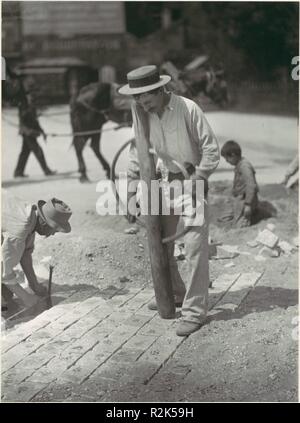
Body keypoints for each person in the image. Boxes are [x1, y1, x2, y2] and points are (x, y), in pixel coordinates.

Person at [118, 65, 220, 336]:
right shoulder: (141, 115)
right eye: (137, 98)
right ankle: (174, 293)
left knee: (195, 247)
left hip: (190, 183)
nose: (141, 102)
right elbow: (135, 154)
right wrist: (129, 192)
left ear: (160, 89)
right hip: (160, 185)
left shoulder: (188, 108)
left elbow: (211, 149)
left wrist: (200, 176)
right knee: (160, 244)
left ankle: (195, 312)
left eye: (145, 96)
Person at [1, 190, 72, 309]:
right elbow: (5, 273)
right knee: (4, 297)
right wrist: (26, 297)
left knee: (7, 293)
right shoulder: (21, 228)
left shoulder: (31, 217)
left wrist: (34, 285)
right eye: (54, 229)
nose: (53, 234)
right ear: (44, 223)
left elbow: (25, 254)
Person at [14, 83, 56, 178]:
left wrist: (42, 131)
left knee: (25, 152)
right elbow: (24, 118)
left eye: (33, 95)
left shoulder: (32, 106)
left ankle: (18, 172)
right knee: (38, 151)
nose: (32, 97)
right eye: (30, 95)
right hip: (27, 132)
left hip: (30, 132)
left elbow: (35, 122)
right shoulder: (23, 105)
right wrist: (32, 112)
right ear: (26, 96)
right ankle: (47, 171)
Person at [219, 140, 259, 227]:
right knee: (224, 217)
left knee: (239, 225)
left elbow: (251, 185)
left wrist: (248, 204)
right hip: (238, 198)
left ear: (233, 155)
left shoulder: (244, 166)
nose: (226, 161)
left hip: (245, 199)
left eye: (227, 158)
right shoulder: (239, 164)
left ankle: (253, 213)